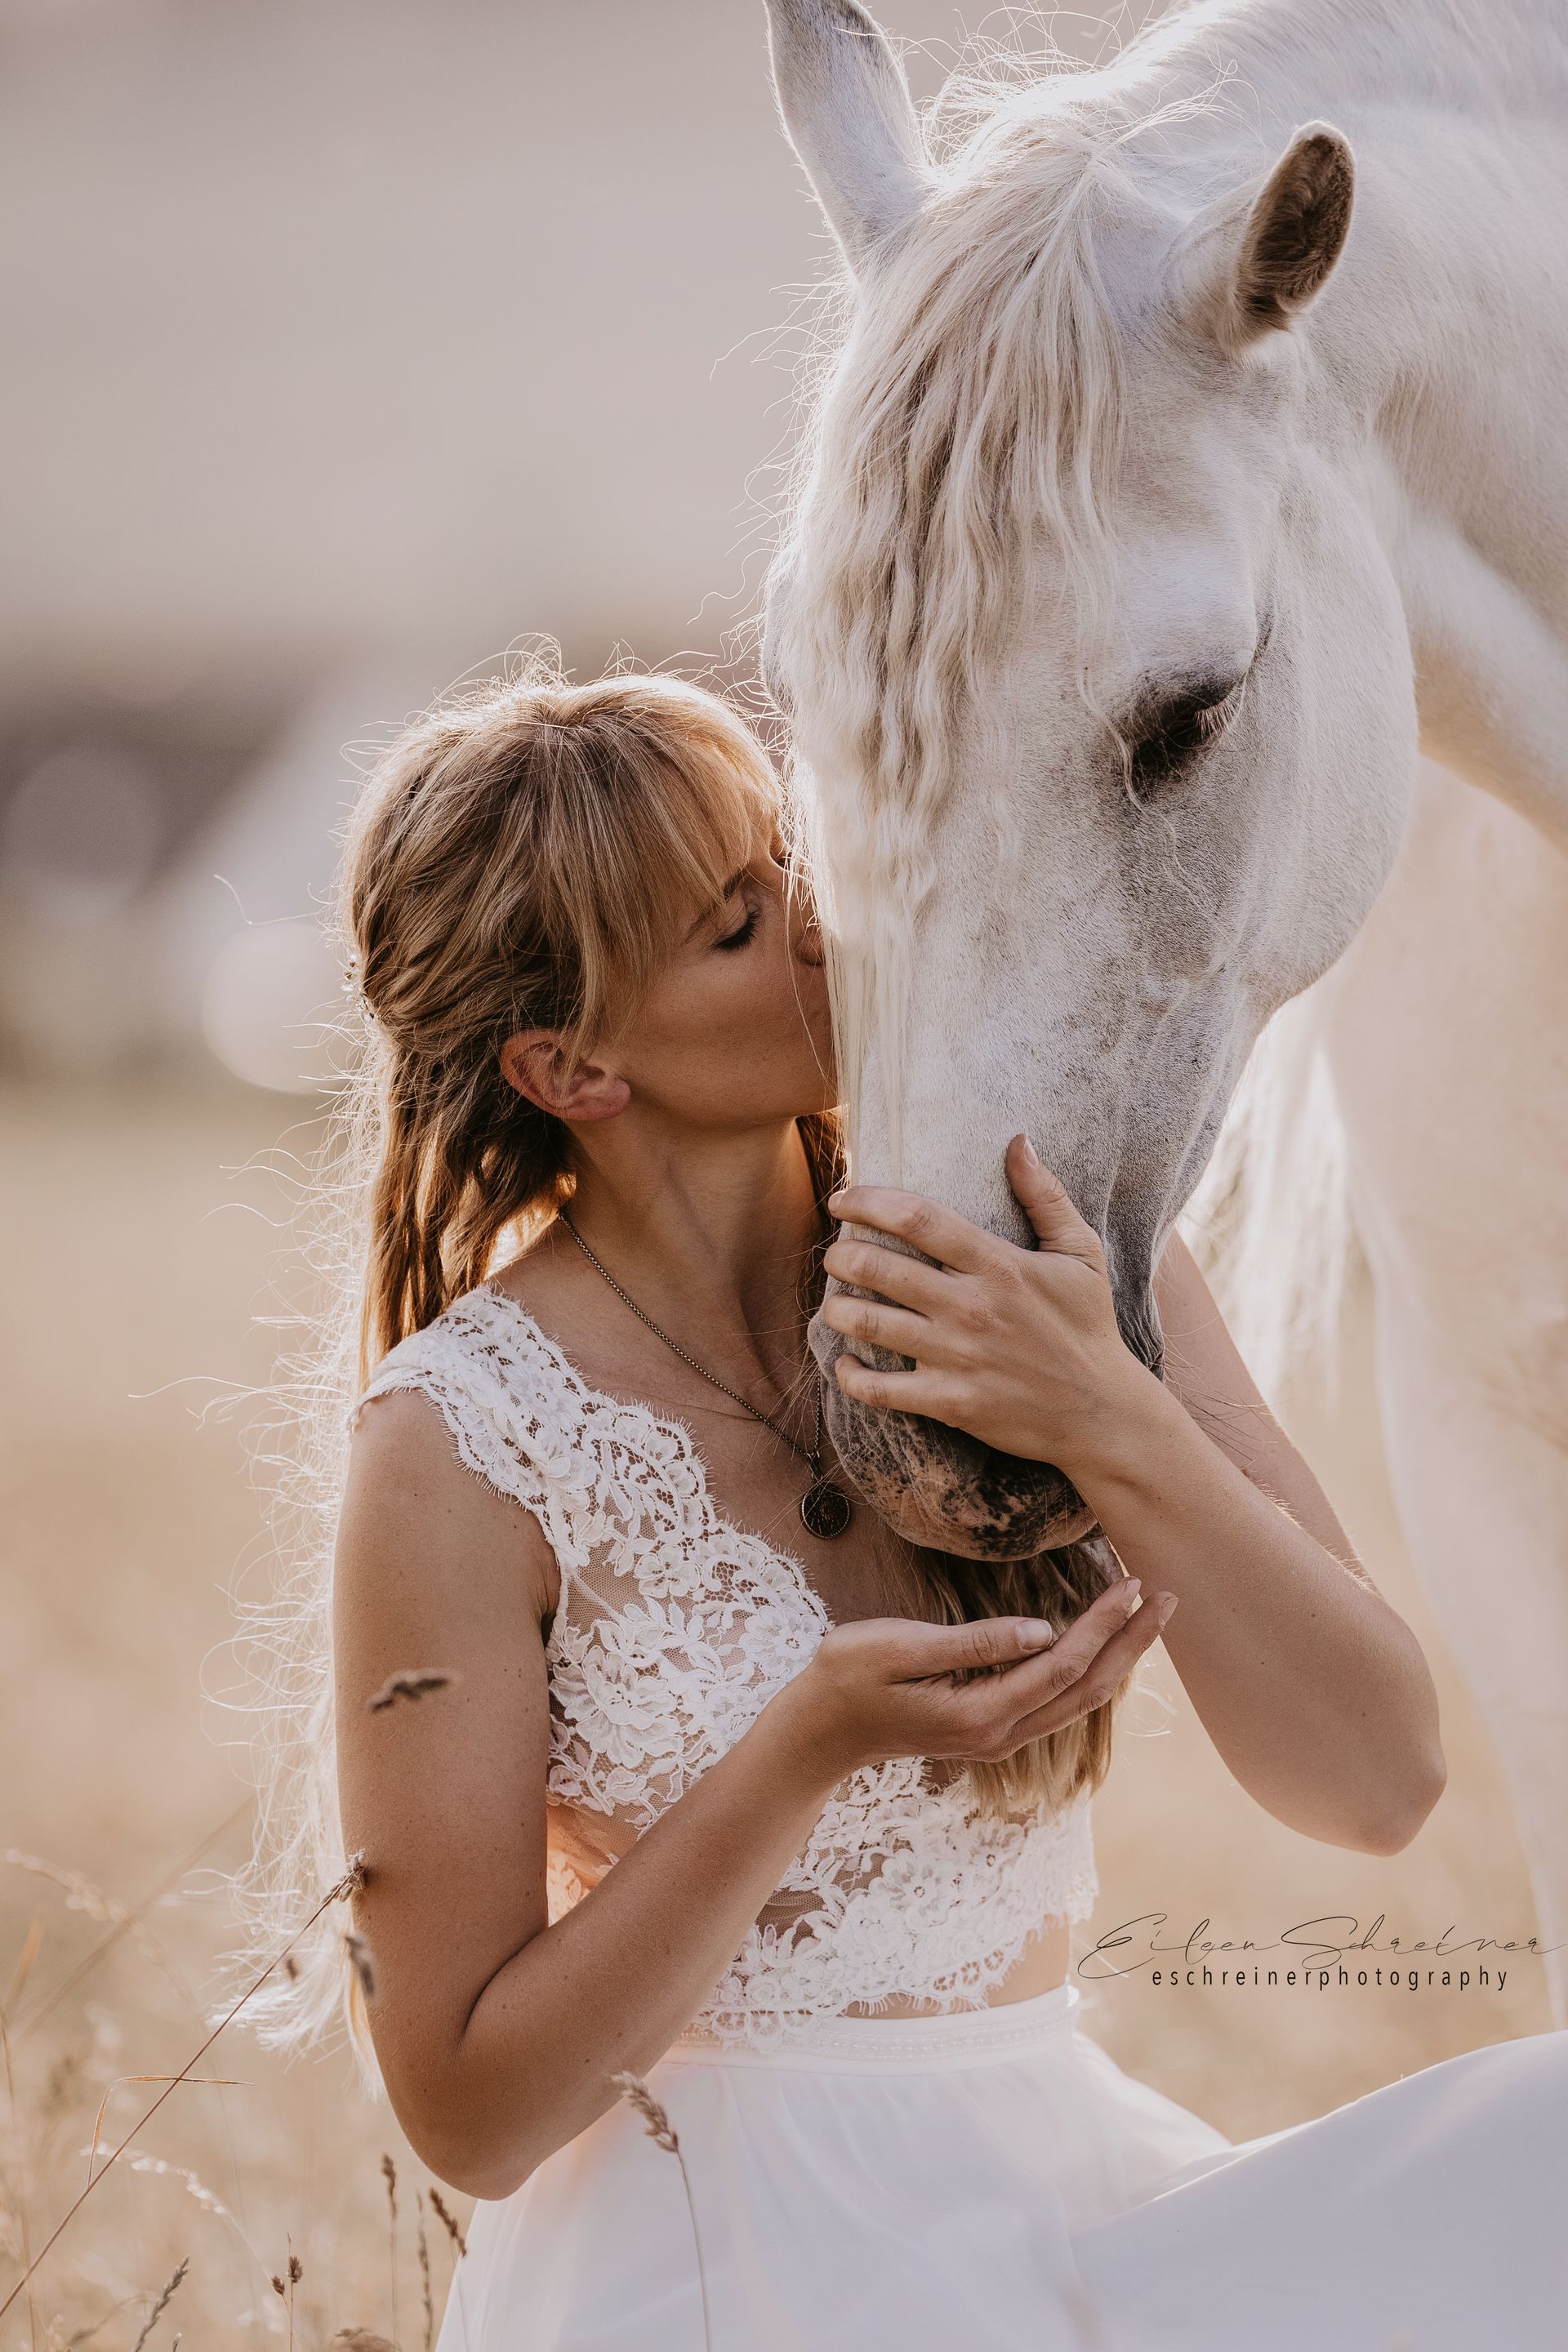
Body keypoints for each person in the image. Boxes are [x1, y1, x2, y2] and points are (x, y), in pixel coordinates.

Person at [257, 660, 1567, 2350]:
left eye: (792, 856)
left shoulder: (1041, 1232)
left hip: (1064, 2195)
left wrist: (1104, 1411)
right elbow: (471, 2116)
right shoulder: (461, 1439)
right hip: (725, 2260)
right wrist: (804, 1748)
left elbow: (1380, 1780)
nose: (830, 918)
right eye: (739, 925)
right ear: (572, 1065)